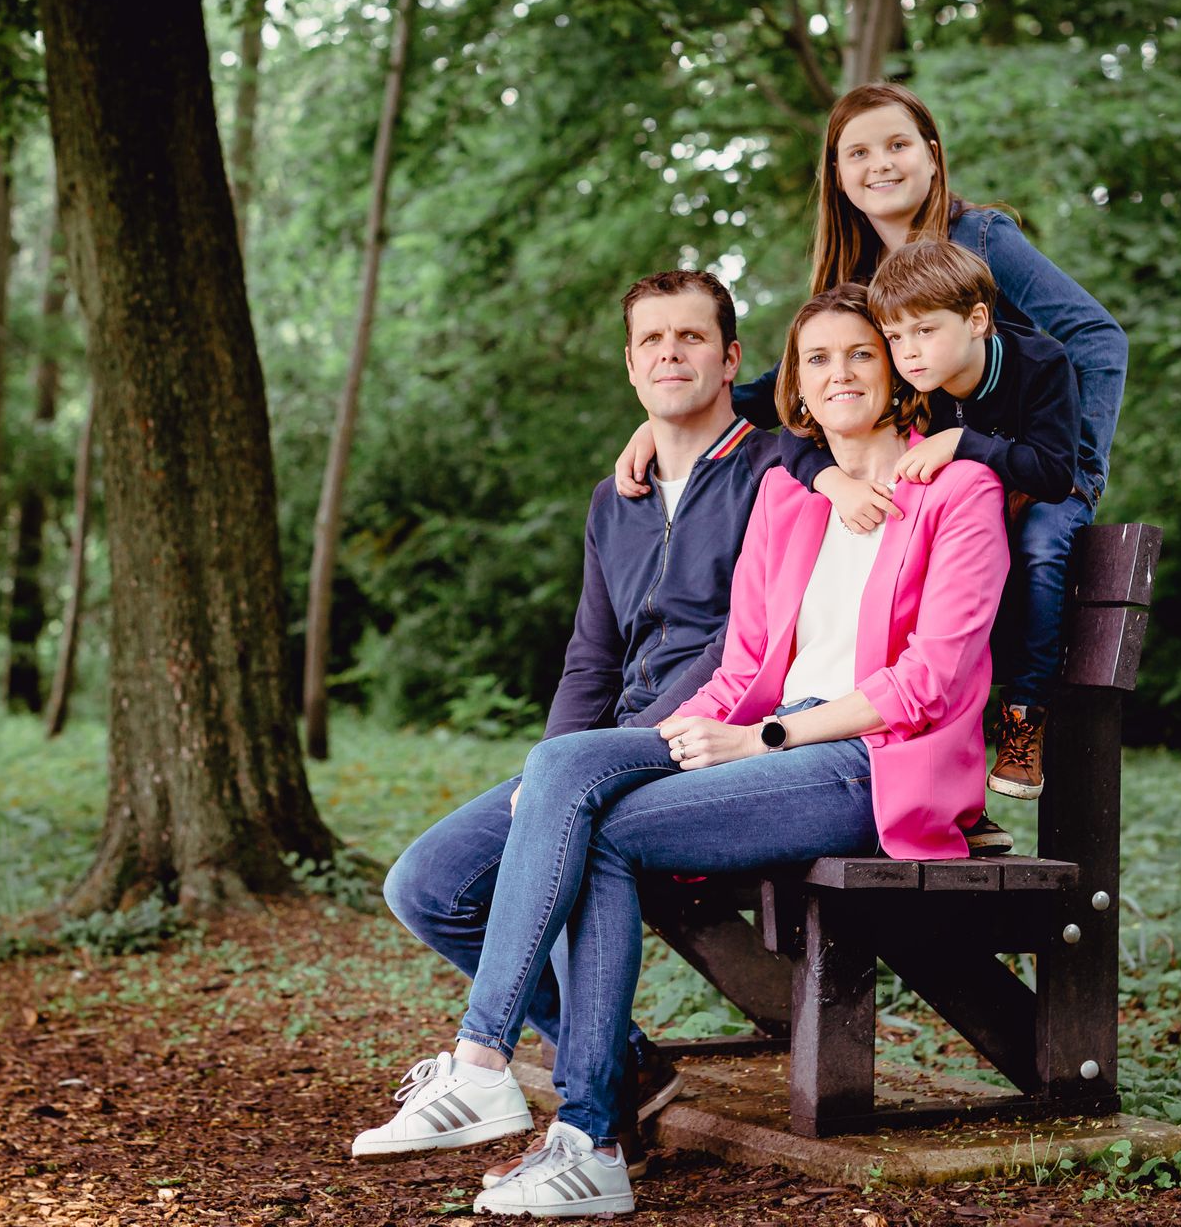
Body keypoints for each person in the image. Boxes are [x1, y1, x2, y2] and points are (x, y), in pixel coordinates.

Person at [353, 285, 1009, 1217]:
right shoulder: (790, 503)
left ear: (900, 371)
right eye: (817, 360)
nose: (839, 374)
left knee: (595, 820)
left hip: (873, 758)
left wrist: (763, 736)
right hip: (768, 743)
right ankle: (566, 1127)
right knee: (575, 784)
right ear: (797, 386)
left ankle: (538, 1099)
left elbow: (931, 682)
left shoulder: (958, 492)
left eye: (860, 354)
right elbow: (742, 665)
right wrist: (645, 748)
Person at [615, 82, 1127, 821]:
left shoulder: (980, 239)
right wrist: (674, 416)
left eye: (897, 145)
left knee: (1041, 546)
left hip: (1031, 464)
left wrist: (1077, 468)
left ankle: (1016, 728)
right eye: (858, 152)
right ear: (836, 174)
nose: (880, 164)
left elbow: (1098, 338)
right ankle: (947, 790)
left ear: (932, 156)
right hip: (945, 471)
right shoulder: (860, 275)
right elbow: (796, 386)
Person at [367, 270, 775, 1180]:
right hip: (605, 750)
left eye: (692, 338)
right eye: (652, 342)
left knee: (576, 832)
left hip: (720, 740)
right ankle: (627, 1066)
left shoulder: (776, 471)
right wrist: (548, 765)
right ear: (631, 368)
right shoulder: (614, 500)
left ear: (732, 357)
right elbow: (591, 659)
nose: (672, 353)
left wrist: (580, 771)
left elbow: (756, 646)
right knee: (427, 883)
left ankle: (523, 1083)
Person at [865, 239, 1080, 801]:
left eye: (925, 330)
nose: (908, 352)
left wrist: (963, 441)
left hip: (1041, 499)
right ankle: (941, 766)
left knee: (1040, 549)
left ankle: (1022, 717)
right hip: (972, 514)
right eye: (894, 337)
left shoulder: (1040, 364)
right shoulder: (916, 386)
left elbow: (1055, 473)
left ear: (977, 319)